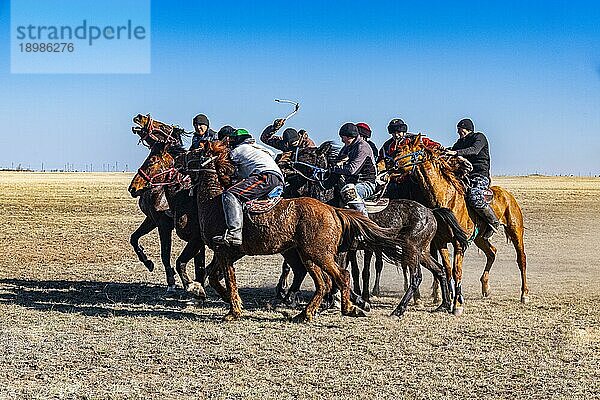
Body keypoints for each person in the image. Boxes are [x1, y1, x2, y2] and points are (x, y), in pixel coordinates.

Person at [212, 128, 285, 246]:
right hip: (278, 180)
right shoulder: (259, 148)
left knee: (230, 194)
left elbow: (229, 170)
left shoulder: (237, 151)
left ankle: (234, 233)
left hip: (265, 177)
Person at [445, 118, 501, 238]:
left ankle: (493, 222)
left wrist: (455, 153)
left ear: (468, 129)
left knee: (474, 196)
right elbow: (452, 150)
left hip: (480, 175)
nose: (459, 132)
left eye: (461, 130)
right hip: (464, 175)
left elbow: (474, 150)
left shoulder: (479, 137)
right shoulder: (460, 142)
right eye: (458, 130)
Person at [377, 118, 441, 199]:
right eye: (393, 133)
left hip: (413, 178)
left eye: (398, 132)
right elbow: (381, 160)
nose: (396, 135)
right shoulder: (387, 146)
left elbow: (435, 145)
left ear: (404, 131)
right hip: (394, 179)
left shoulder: (414, 140)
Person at [330, 123, 377, 216]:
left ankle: (364, 220)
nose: (342, 140)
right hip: (350, 182)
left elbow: (352, 170)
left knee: (349, 192)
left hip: (366, 183)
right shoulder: (347, 147)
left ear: (350, 137)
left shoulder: (363, 147)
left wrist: (334, 169)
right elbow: (337, 161)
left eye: (343, 137)